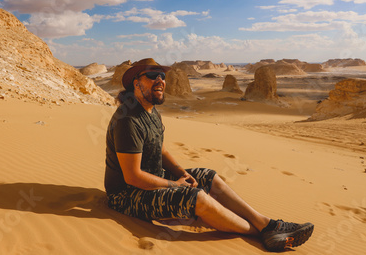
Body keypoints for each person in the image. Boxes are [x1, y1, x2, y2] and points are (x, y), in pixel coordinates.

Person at [104, 58, 314, 252]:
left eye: (162, 76)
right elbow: (132, 177)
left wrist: (181, 173)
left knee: (208, 176)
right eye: (152, 76)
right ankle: (260, 232)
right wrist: (176, 185)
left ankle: (266, 223)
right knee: (195, 197)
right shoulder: (128, 121)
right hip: (126, 196)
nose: (160, 80)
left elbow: (160, 148)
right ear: (136, 83)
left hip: (152, 180)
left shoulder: (150, 111)